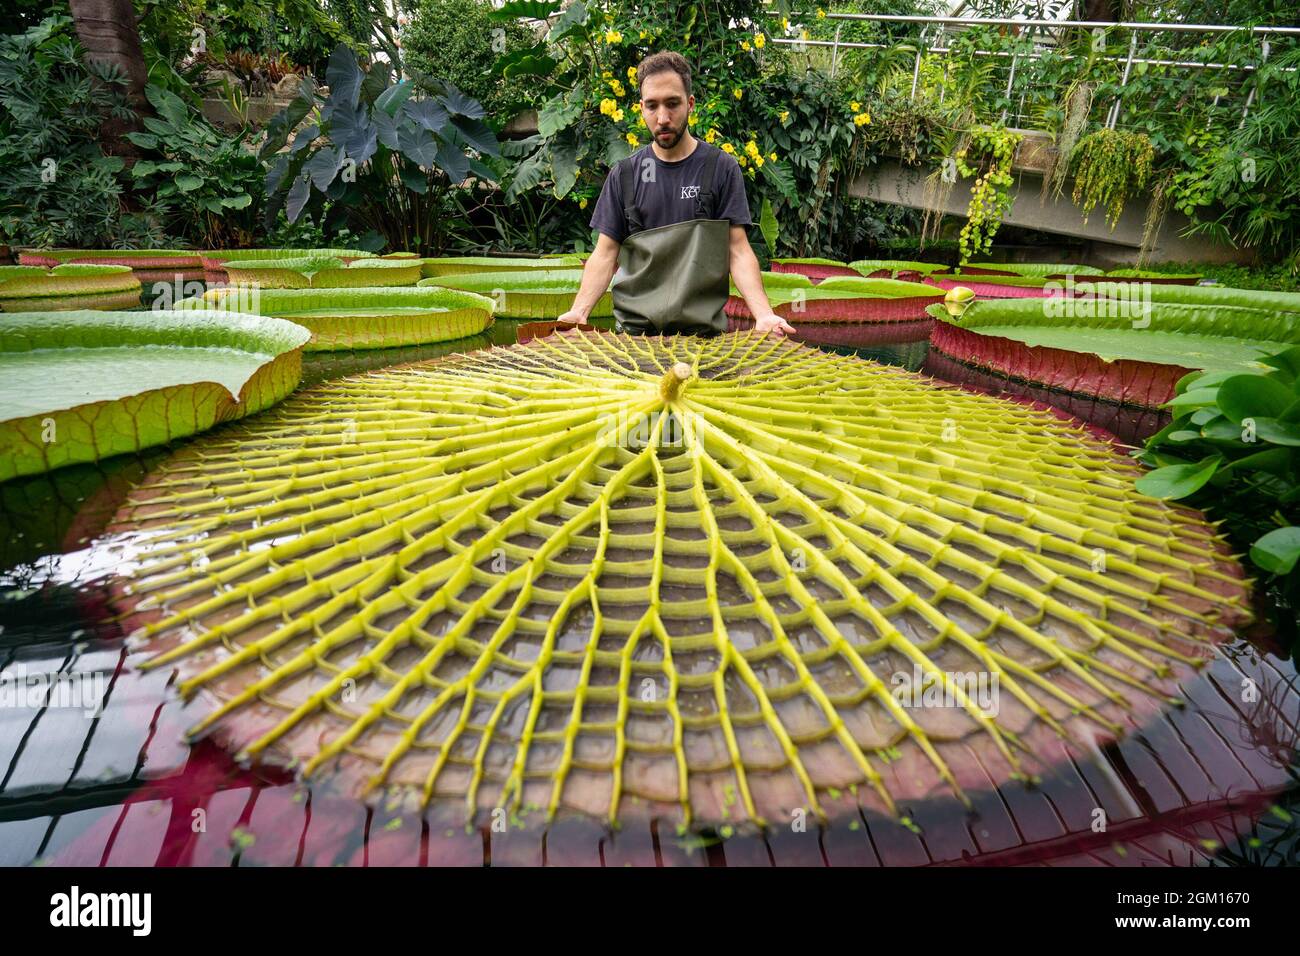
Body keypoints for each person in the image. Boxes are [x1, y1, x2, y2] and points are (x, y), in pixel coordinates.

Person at [556, 50, 795, 337]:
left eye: (673, 104)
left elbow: (738, 250)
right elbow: (605, 254)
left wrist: (764, 315)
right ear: (641, 108)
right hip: (635, 337)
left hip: (704, 339)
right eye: (652, 106)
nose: (663, 118)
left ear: (690, 104)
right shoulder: (625, 175)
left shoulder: (721, 168)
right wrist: (579, 312)